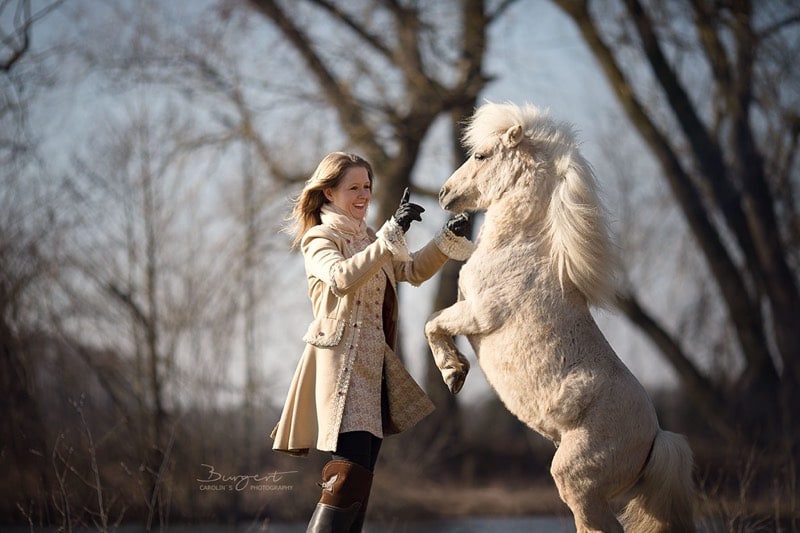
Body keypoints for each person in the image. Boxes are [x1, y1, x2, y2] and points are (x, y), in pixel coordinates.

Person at [271, 152, 473, 532]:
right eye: (354, 188)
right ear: (329, 192)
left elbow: (410, 270)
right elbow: (342, 279)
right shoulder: (319, 238)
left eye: (367, 186)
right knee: (346, 475)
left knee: (361, 479)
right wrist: (387, 236)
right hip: (340, 373)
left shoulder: (371, 238)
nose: (363, 194)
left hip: (373, 371)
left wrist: (446, 239)